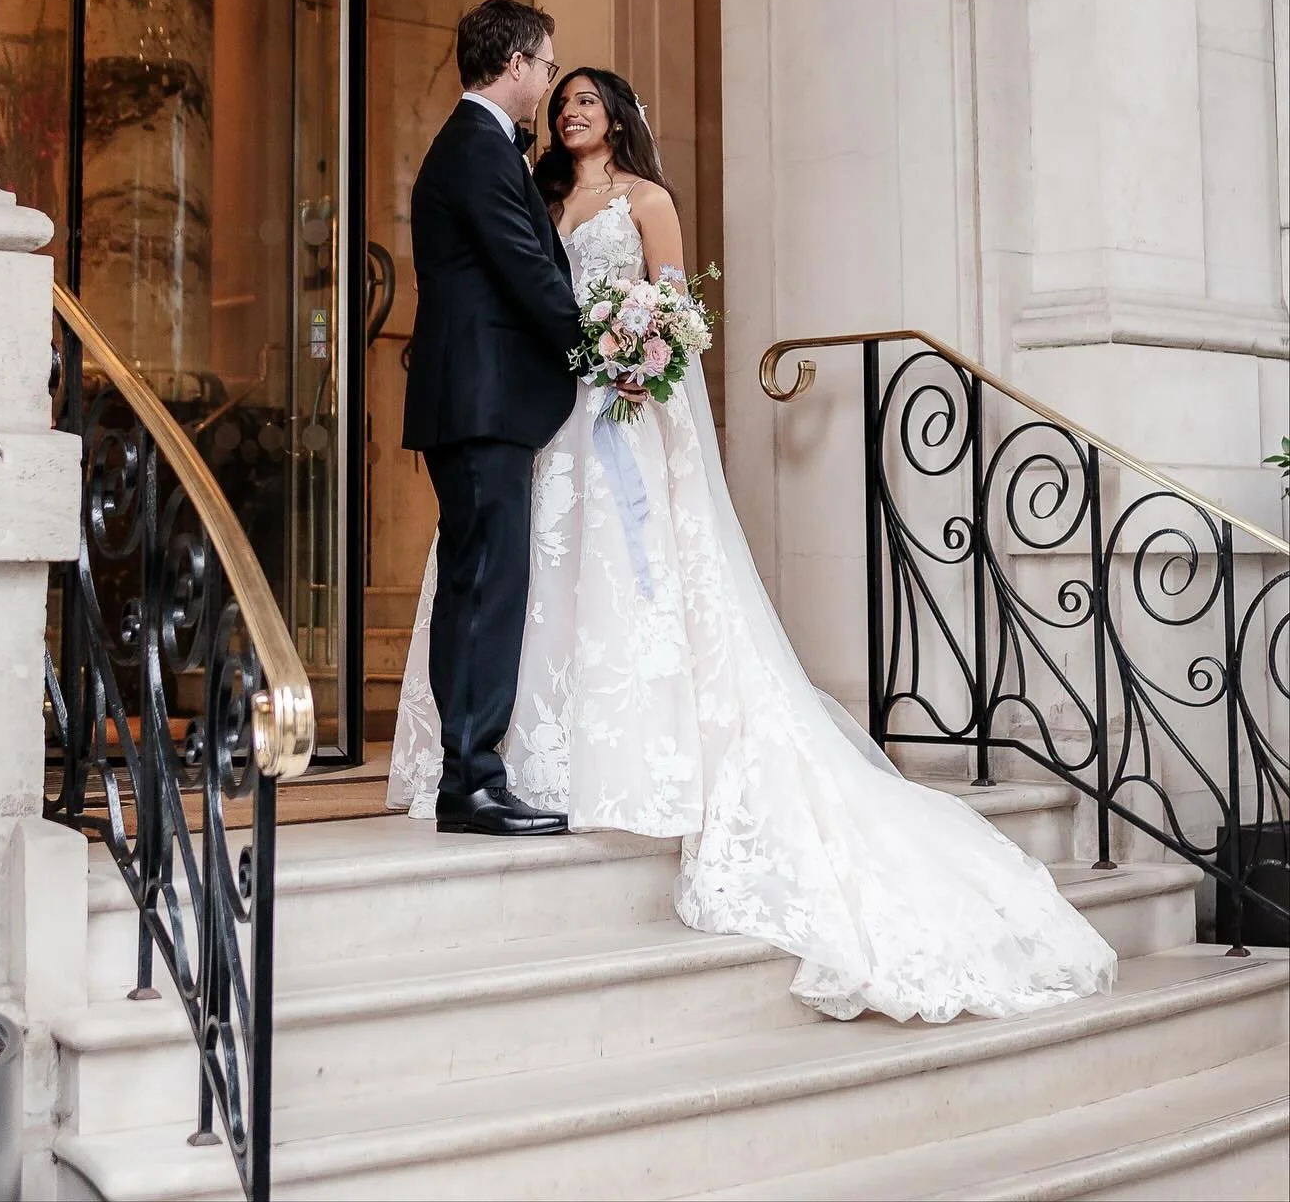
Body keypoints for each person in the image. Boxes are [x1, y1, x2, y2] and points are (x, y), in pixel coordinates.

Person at [391, 67, 1118, 1021]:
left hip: (616, 416)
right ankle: (518, 759)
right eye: (560, 98)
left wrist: (640, 355)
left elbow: (677, 316)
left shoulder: (649, 201)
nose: (571, 111)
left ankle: (621, 759)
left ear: (617, 117)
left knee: (622, 582)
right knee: (528, 582)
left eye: (587, 100)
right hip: (546, 418)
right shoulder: (537, 194)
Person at [400, 0, 584, 837]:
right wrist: (599, 345)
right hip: (481, 403)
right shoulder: (475, 150)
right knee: (485, 591)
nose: (548, 82)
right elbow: (525, 271)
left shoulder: (478, 147)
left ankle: (471, 773)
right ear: (516, 64)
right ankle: (471, 780)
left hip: (478, 402)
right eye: (547, 66)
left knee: (483, 586)